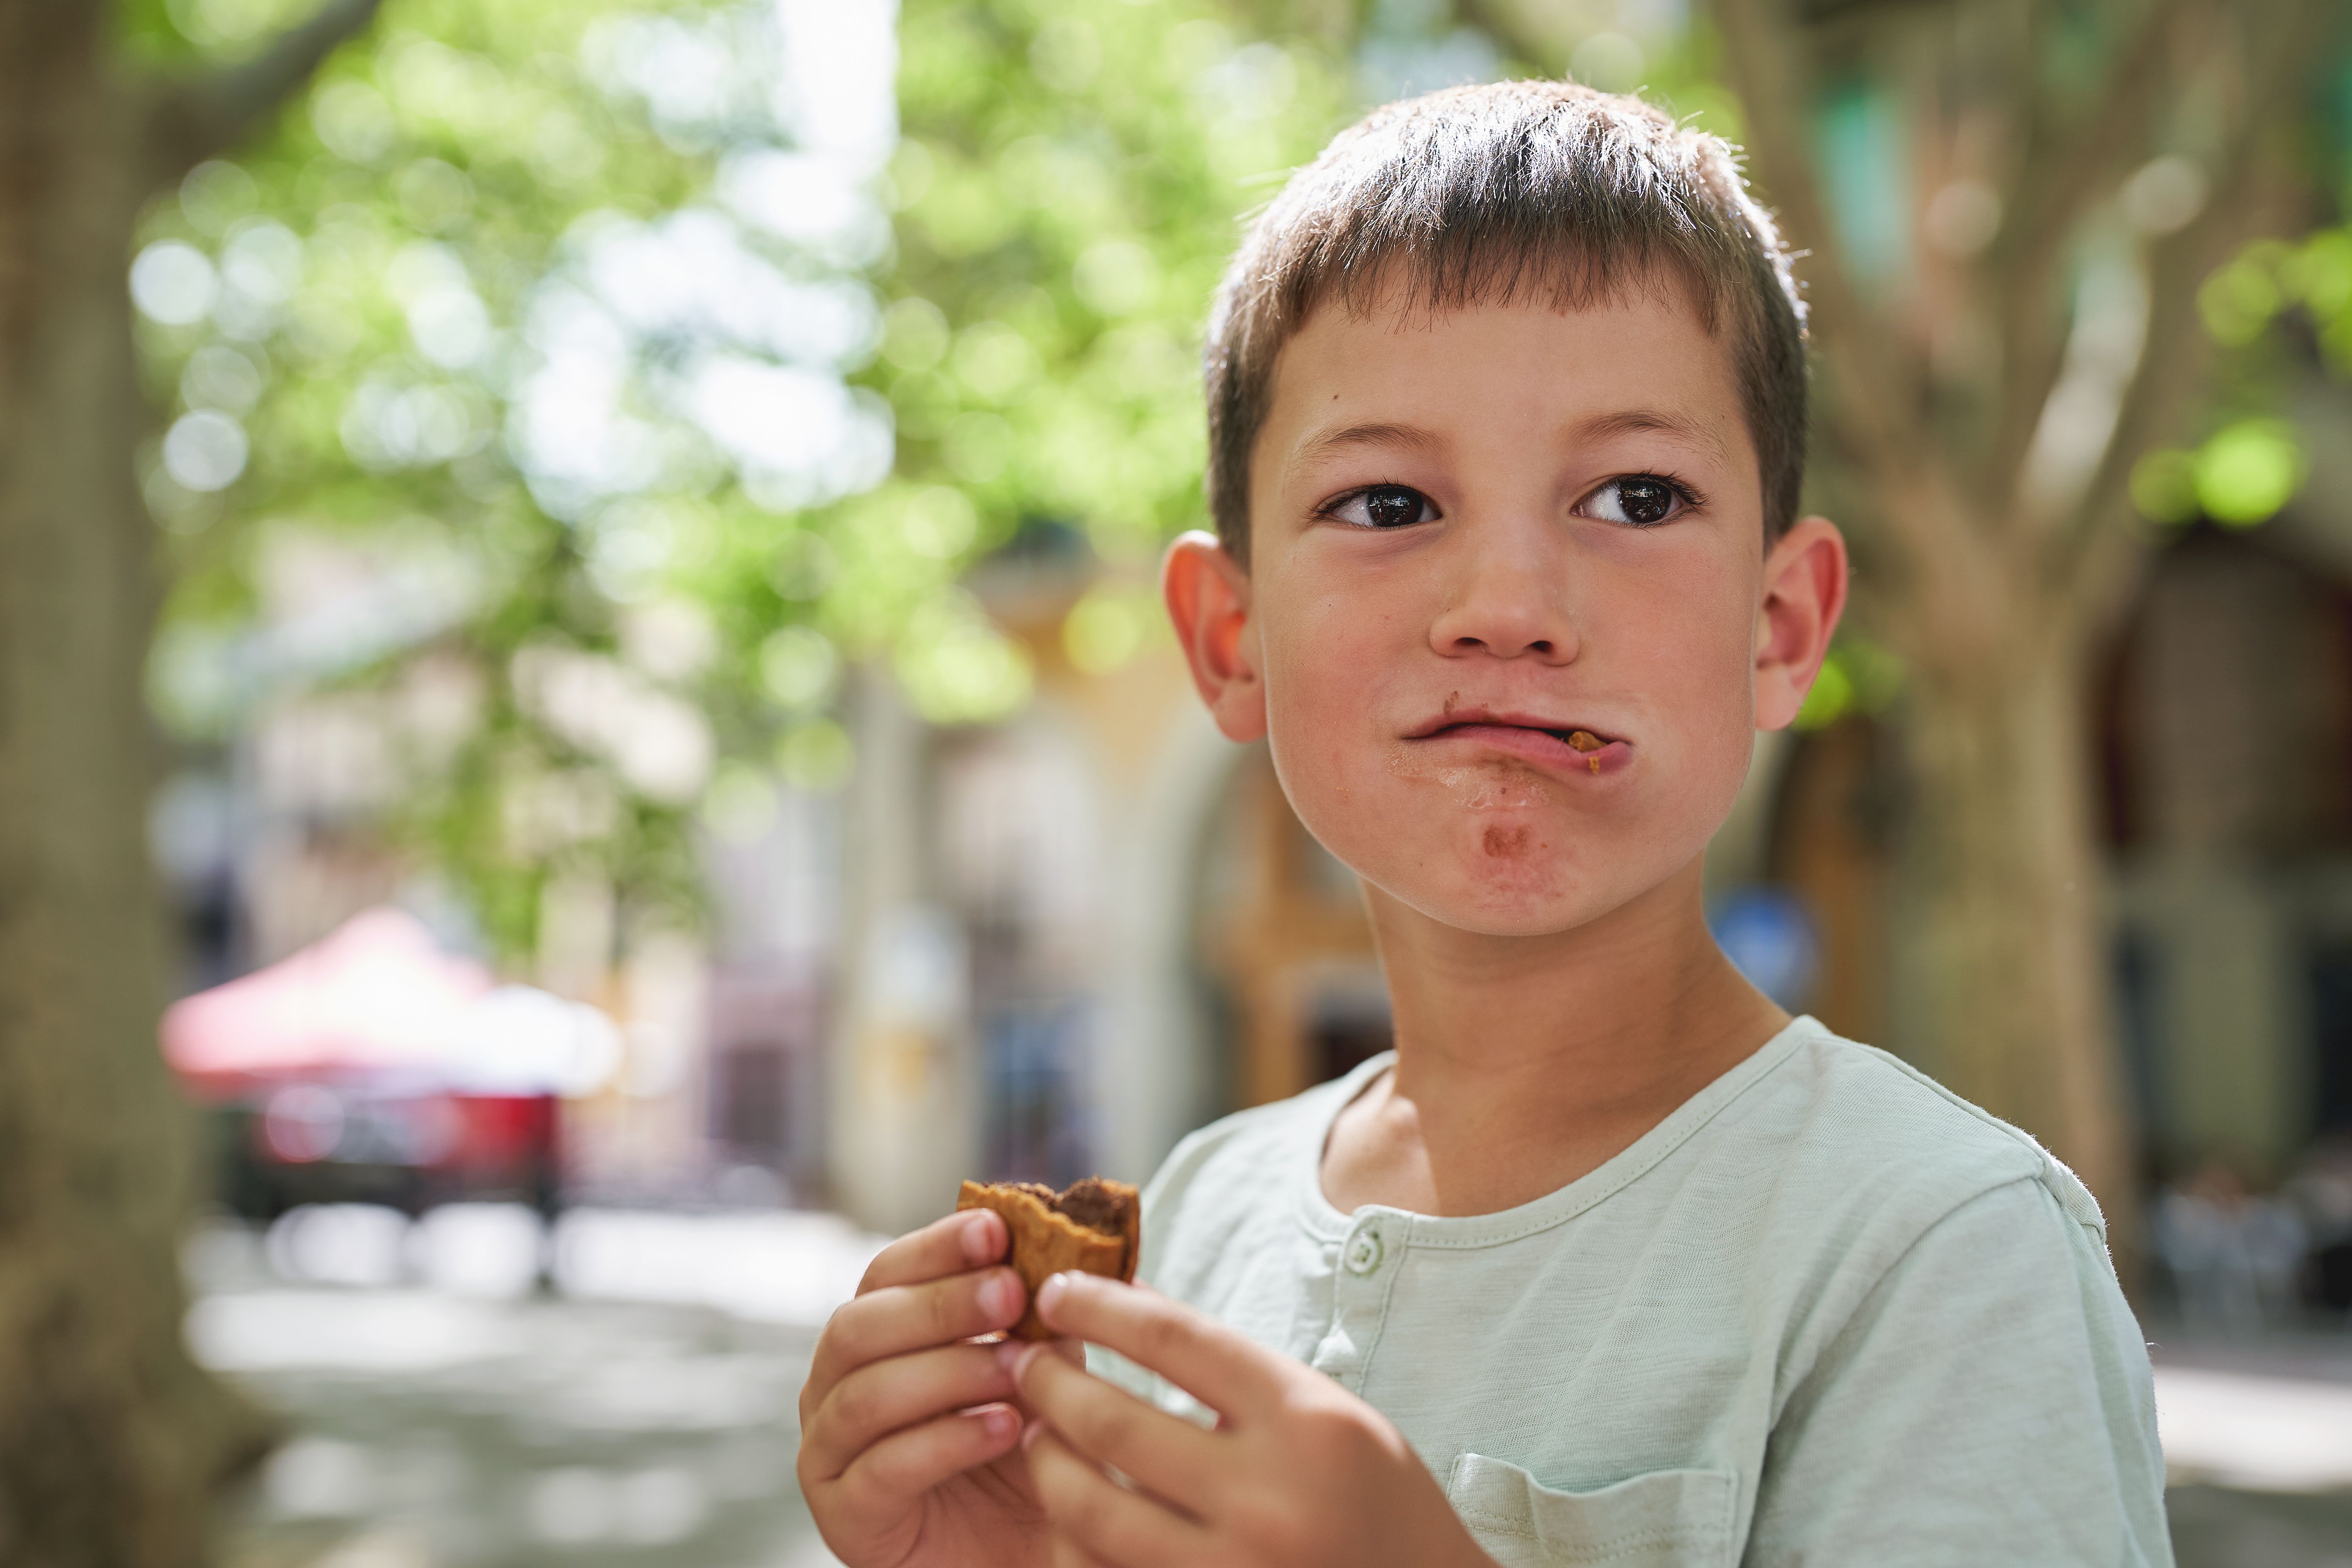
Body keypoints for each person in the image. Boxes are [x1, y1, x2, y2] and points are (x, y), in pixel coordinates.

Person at [795, 79, 2171, 1568]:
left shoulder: (1935, 1248)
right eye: (1388, 505)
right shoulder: (1197, 1223)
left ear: (1779, 628)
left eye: (1637, 496)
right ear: (1231, 639)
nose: (1508, 609)